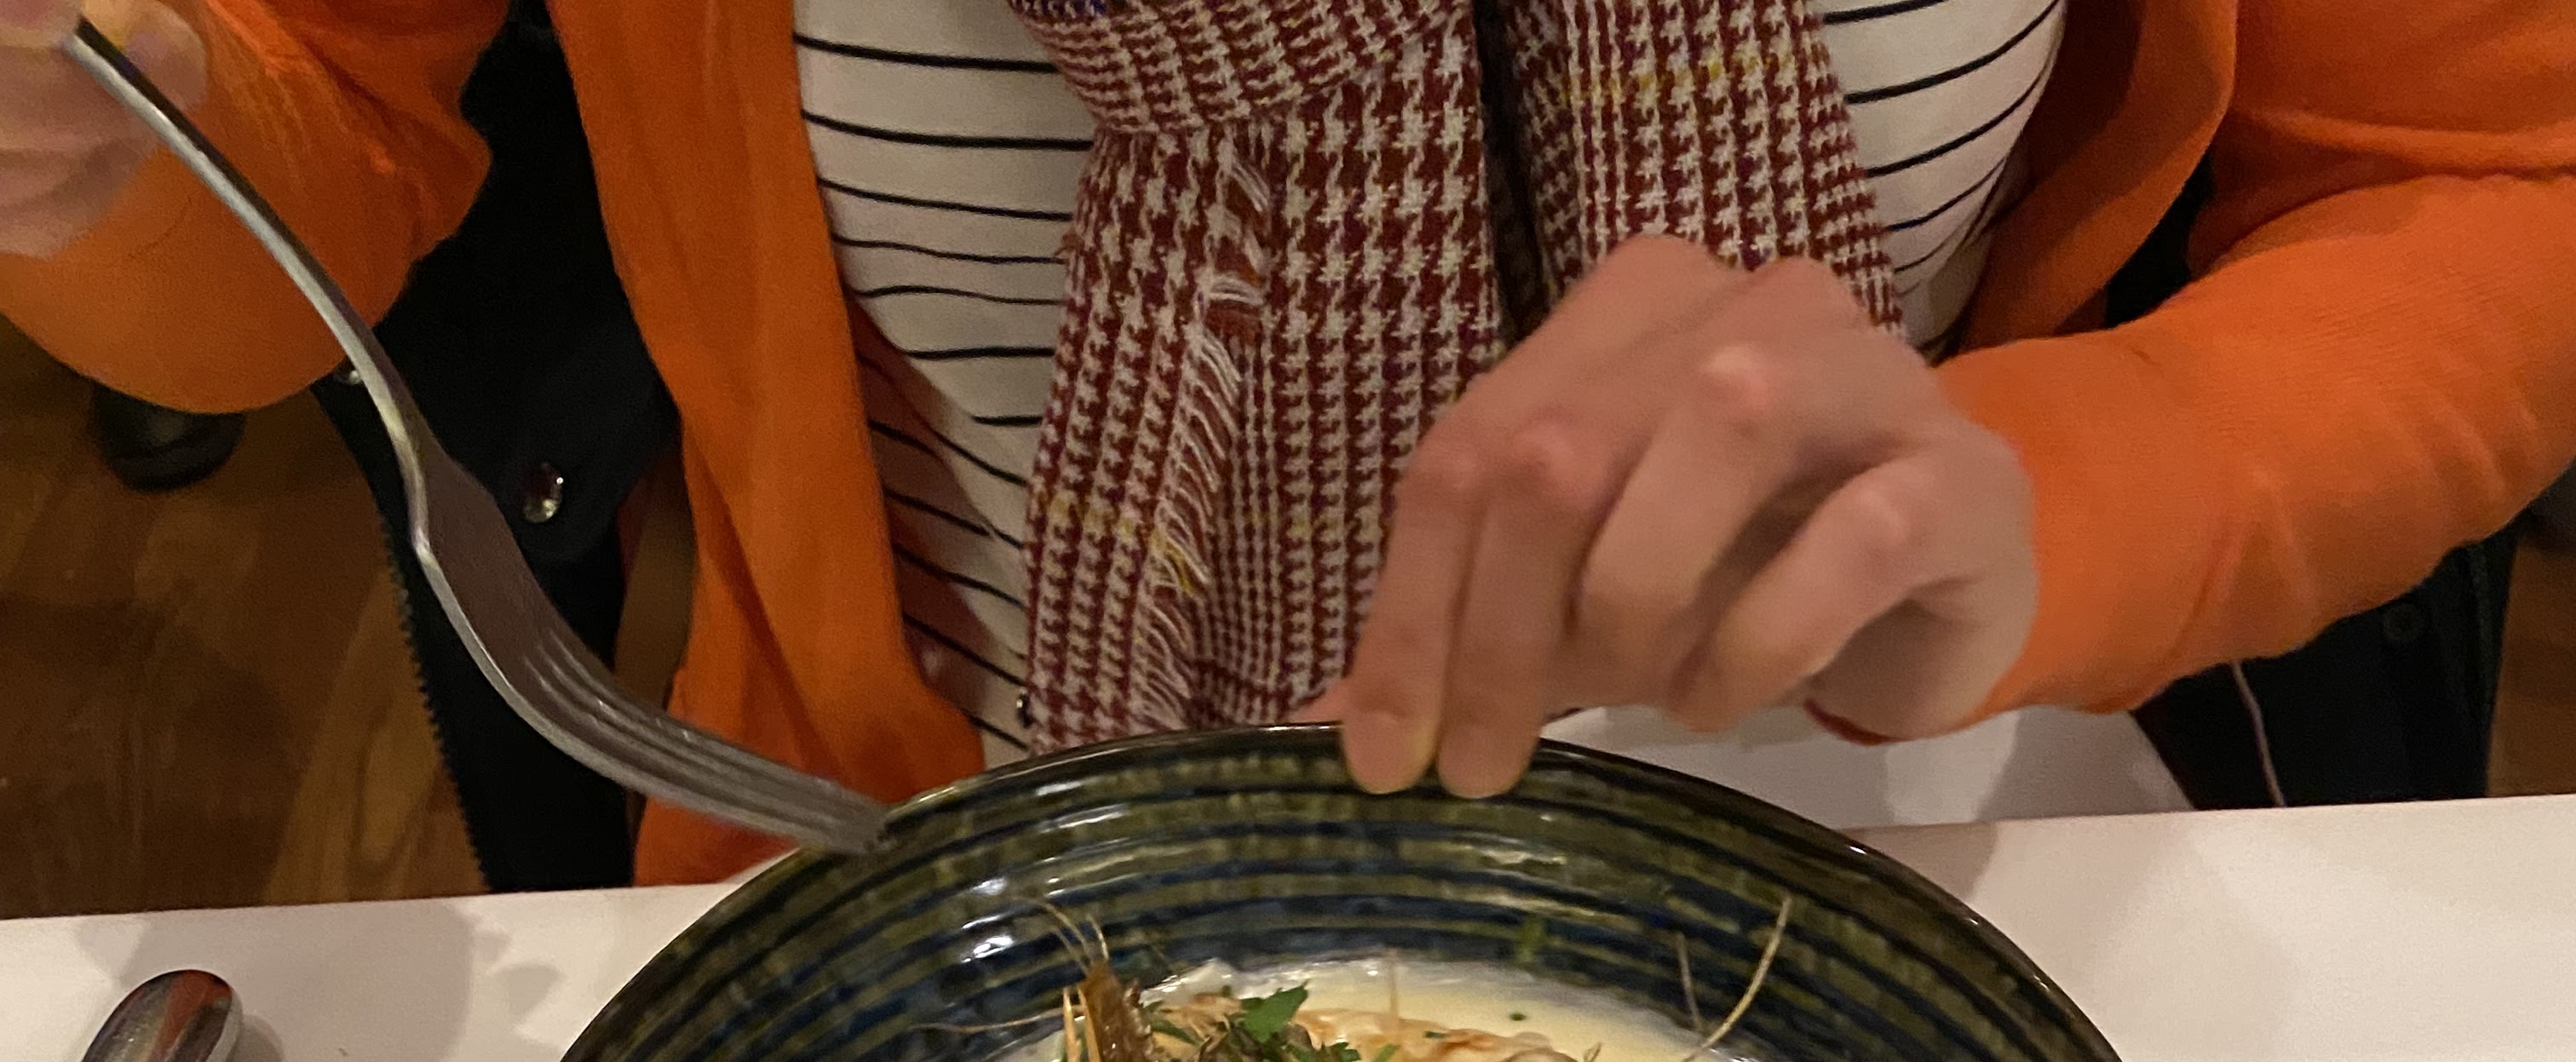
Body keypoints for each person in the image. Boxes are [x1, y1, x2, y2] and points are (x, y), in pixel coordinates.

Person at [3, 0, 2573, 880]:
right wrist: (104, 132)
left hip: (1916, 855)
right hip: (947, 870)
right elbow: (287, 117)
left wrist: (2068, 486)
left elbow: (2477, 178)